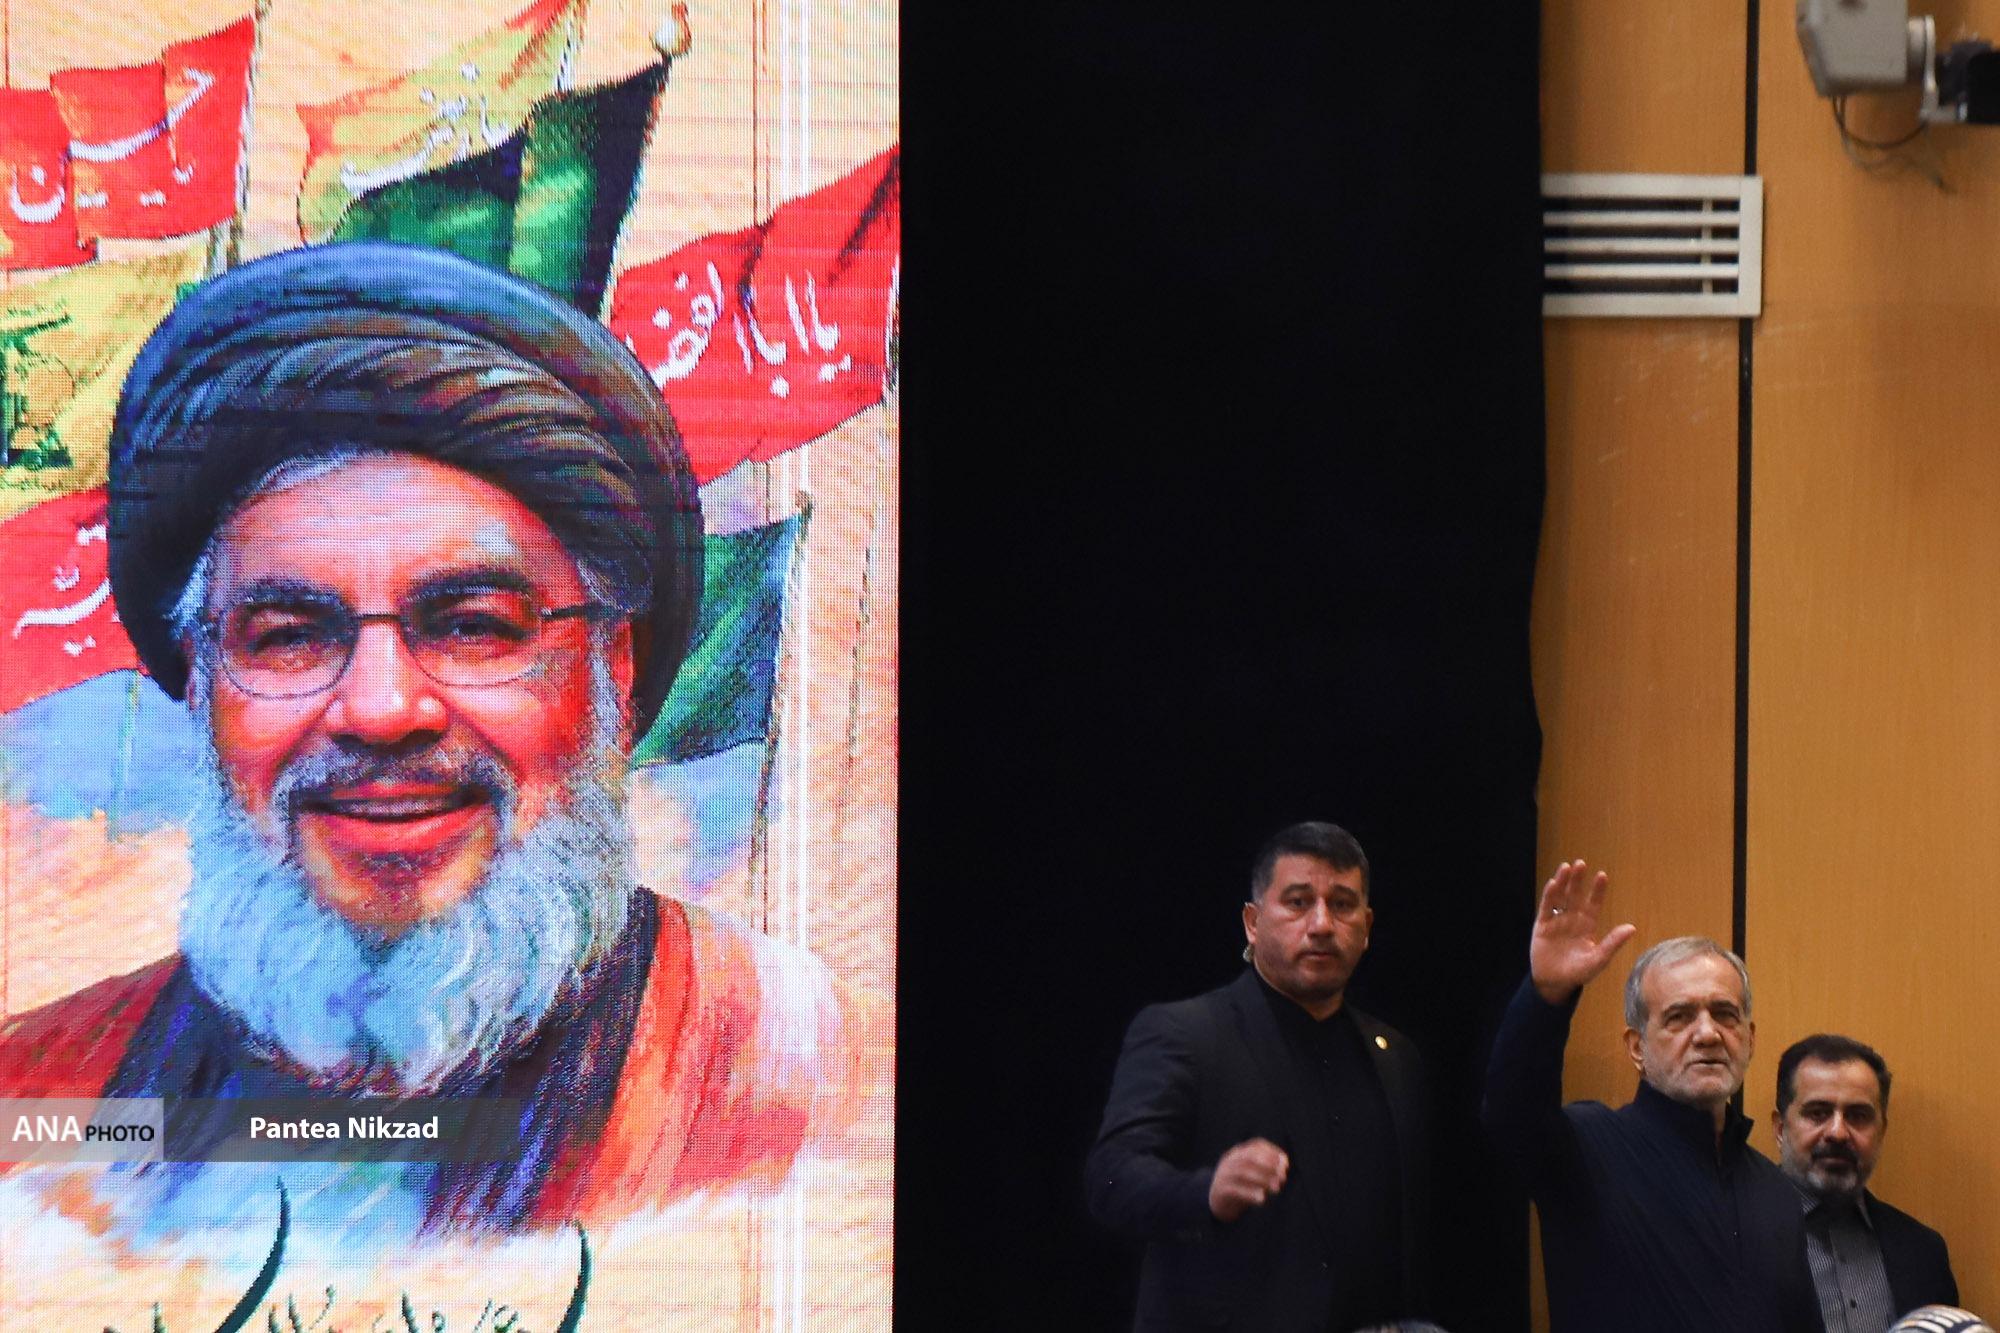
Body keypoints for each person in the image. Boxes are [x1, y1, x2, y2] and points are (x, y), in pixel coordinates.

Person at [0, 243, 854, 1238]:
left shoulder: (809, 1094)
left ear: (611, 669)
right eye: (289, 635)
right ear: (199, 684)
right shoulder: (40, 1102)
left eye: (472, 626)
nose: (380, 708)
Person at [1086, 821, 1430, 1332]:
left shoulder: (1395, 1055)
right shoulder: (1187, 1034)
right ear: (1252, 922)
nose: (1321, 924)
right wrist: (1205, 1192)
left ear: (1366, 927)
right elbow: (1111, 1178)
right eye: (1298, 902)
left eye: (1341, 904)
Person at [1481, 860, 1819, 1332]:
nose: (1708, 1034)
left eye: (1725, 1014)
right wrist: (1547, 996)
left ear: (1749, 1039)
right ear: (1637, 1048)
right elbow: (1511, 1112)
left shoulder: (1776, 1193)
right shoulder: (1588, 1149)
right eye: (1679, 1017)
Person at [1773, 1033, 1959, 1327]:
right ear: (1780, 1128)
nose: (1837, 1132)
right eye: (1818, 1113)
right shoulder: (1733, 1239)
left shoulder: (1923, 1251)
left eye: (1858, 1116)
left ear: (1881, 1132)